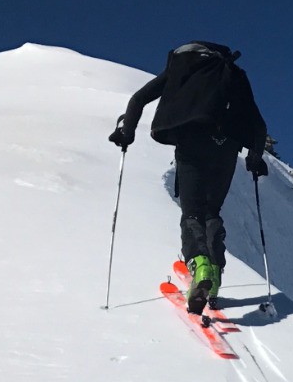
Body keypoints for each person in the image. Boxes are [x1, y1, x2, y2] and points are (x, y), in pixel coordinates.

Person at [109, 42, 268, 315]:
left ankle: (199, 262)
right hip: (226, 147)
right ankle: (214, 273)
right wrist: (255, 156)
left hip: (192, 139)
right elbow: (257, 122)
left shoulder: (183, 68)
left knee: (192, 212)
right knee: (211, 211)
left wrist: (128, 132)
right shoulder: (232, 73)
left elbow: (139, 98)